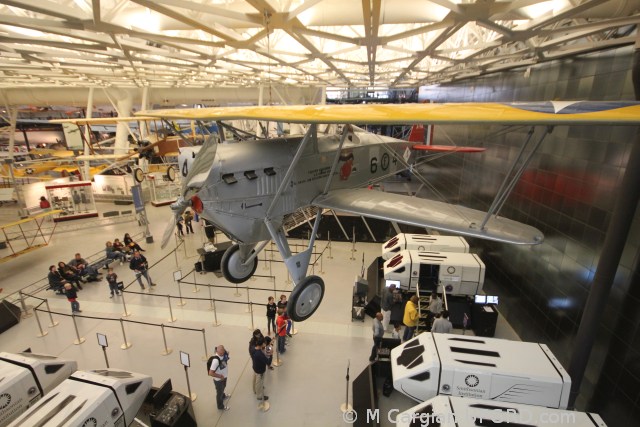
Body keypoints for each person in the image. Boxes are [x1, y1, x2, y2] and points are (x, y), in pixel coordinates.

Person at [208, 345, 230, 411]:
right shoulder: (215, 361)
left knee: (223, 388)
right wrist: (220, 376)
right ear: (218, 351)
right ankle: (220, 406)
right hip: (219, 380)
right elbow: (210, 373)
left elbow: (225, 360)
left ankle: (223, 396)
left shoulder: (223, 353)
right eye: (222, 352)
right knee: (219, 393)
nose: (223, 353)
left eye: (224, 351)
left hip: (224, 377)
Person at [251, 337, 269, 402]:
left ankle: (254, 390)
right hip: (260, 370)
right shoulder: (260, 354)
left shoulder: (253, 349)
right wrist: (270, 354)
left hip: (255, 367)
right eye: (264, 343)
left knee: (255, 380)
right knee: (259, 383)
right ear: (262, 344)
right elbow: (268, 362)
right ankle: (259, 396)